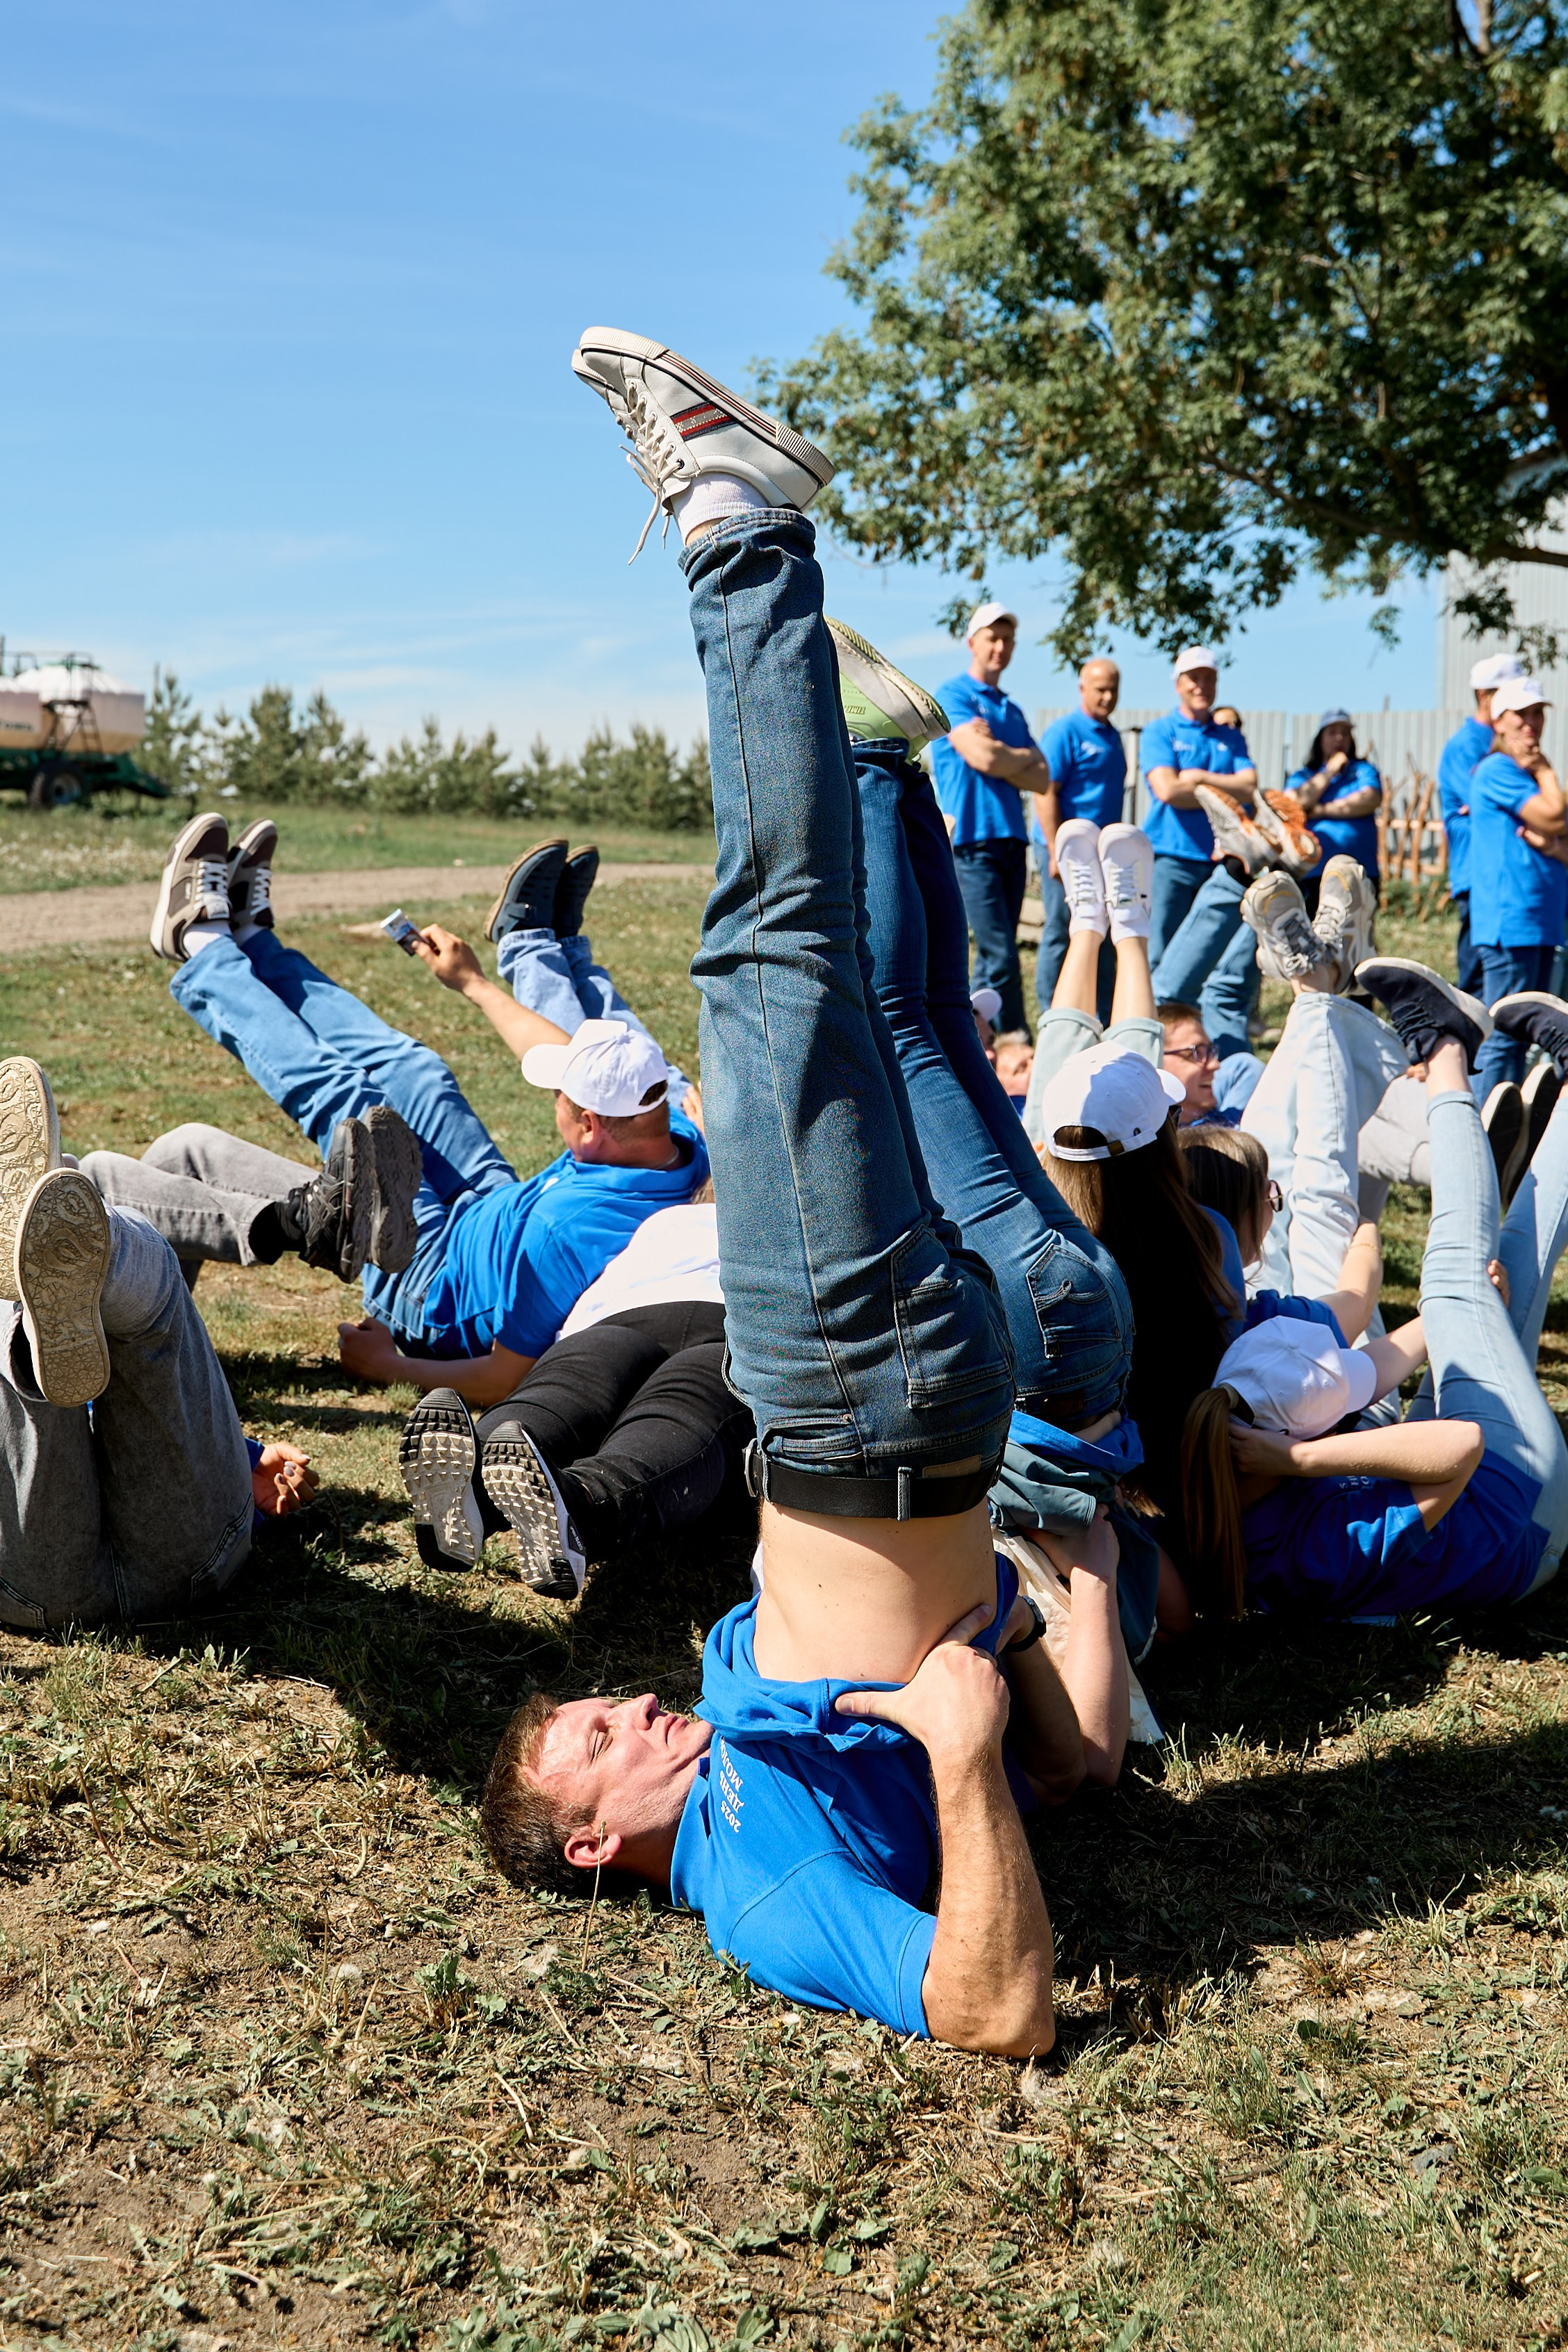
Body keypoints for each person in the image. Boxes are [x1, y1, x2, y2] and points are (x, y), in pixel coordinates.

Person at [484, 324, 1132, 2054]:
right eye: (602, 1739)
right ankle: (737, 515)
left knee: (885, 1027)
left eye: (603, 1704)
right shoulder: (757, 1884)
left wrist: (1018, 1655)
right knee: (767, 965)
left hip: (896, 1415)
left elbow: (1078, 1762)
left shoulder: (732, 1756)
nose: (631, 1698)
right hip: (859, 1402)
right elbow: (991, 2012)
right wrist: (972, 1738)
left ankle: (865, 757)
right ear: (603, 1837)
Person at [133, 812, 708, 1407]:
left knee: (352, 1105)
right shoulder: (683, 1138)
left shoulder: (566, 1236)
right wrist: (474, 985)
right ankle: (255, 941)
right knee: (419, 1072)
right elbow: (562, 1057)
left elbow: (506, 1379)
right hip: (494, 1211)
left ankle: (198, 946)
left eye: (561, 1096)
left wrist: (390, 1365)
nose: (553, 1097)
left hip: (431, 1285)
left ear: (589, 1127)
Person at [1182, 962, 1568, 1622]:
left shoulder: (1226, 1454)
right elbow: (1460, 1447)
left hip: (1449, 1485)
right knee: (1452, 1279)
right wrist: (1304, 1458)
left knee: (1490, 1285)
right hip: (1520, 1521)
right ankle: (1446, 1049)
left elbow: (1369, 1373)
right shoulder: (1307, 1555)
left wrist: (1303, 1452)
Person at [0, 1056, 316, 1628]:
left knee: (18, 1324)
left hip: (33, 1582)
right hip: (191, 1560)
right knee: (154, 1314)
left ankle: (34, 1310)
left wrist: (245, 1457)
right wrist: (238, 1457)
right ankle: (95, 1245)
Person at [398, 1193, 749, 1597]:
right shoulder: (798, 1220)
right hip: (738, 1324)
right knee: (683, 1410)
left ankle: (474, 1481)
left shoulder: (665, 1220)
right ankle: (582, 1507)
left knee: (562, 1392)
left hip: (624, 1314)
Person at [931, 601, 1050, 1036]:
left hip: (1011, 839)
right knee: (998, 949)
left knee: (994, 950)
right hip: (971, 839)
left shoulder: (1011, 711)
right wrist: (1016, 758)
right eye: (992, 638)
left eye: (1007, 639)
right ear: (972, 643)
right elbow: (981, 756)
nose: (1000, 647)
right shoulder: (954, 695)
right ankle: (1014, 1035)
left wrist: (1005, 754)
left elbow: (1041, 778)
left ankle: (980, 1038)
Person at [1467, 677, 1568, 1103]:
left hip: (1539, 922)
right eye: (1521, 715)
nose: (1532, 724)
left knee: (1521, 1035)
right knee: (1506, 1034)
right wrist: (1546, 771)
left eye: (1538, 713)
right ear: (1499, 721)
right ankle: (1487, 1137)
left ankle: (1508, 1137)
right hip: (1513, 923)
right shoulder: (1499, 770)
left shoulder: (1518, 775)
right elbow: (1555, 814)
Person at [1139, 647, 1259, 965]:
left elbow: (1249, 787)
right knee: (1161, 953)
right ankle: (1157, 1015)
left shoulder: (1230, 737)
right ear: (1178, 684)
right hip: (1171, 860)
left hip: (1222, 861)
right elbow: (1168, 791)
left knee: (1212, 956)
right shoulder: (1159, 731)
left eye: (1209, 678)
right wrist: (1223, 790)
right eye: (1194, 678)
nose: (1201, 686)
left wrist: (1199, 778)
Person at [1033, 657, 1126, 1018]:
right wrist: (1056, 849)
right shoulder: (1065, 731)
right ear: (1082, 689)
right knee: (1061, 929)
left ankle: (1100, 1015)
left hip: (1100, 854)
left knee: (1102, 933)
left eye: (1113, 690)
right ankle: (1049, 1012)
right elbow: (1045, 791)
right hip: (1066, 851)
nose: (1107, 697)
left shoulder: (1113, 736)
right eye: (1100, 689)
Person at [1439, 653, 1525, 998]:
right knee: (1478, 980)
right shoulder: (1465, 746)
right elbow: (1493, 806)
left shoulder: (1508, 740)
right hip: (1478, 873)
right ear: (1484, 697)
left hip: (1509, 871)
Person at [1286, 710, 1383, 910]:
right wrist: (1329, 771)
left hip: (1360, 871)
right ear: (1320, 738)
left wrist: (1320, 810)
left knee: (1359, 937)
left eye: (1345, 733)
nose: (1339, 738)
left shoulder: (1363, 771)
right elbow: (1293, 804)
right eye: (1332, 732)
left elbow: (1370, 799)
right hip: (1314, 874)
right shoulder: (1304, 776)